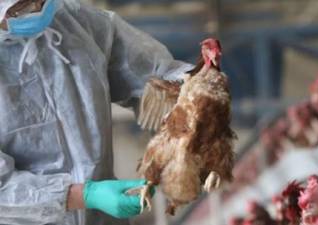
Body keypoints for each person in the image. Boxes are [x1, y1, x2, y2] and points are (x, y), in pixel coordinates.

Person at [0, 0, 192, 224]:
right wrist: (84, 196)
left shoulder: (75, 21)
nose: (36, 9)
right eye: (20, 6)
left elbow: (154, 74)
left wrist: (193, 93)